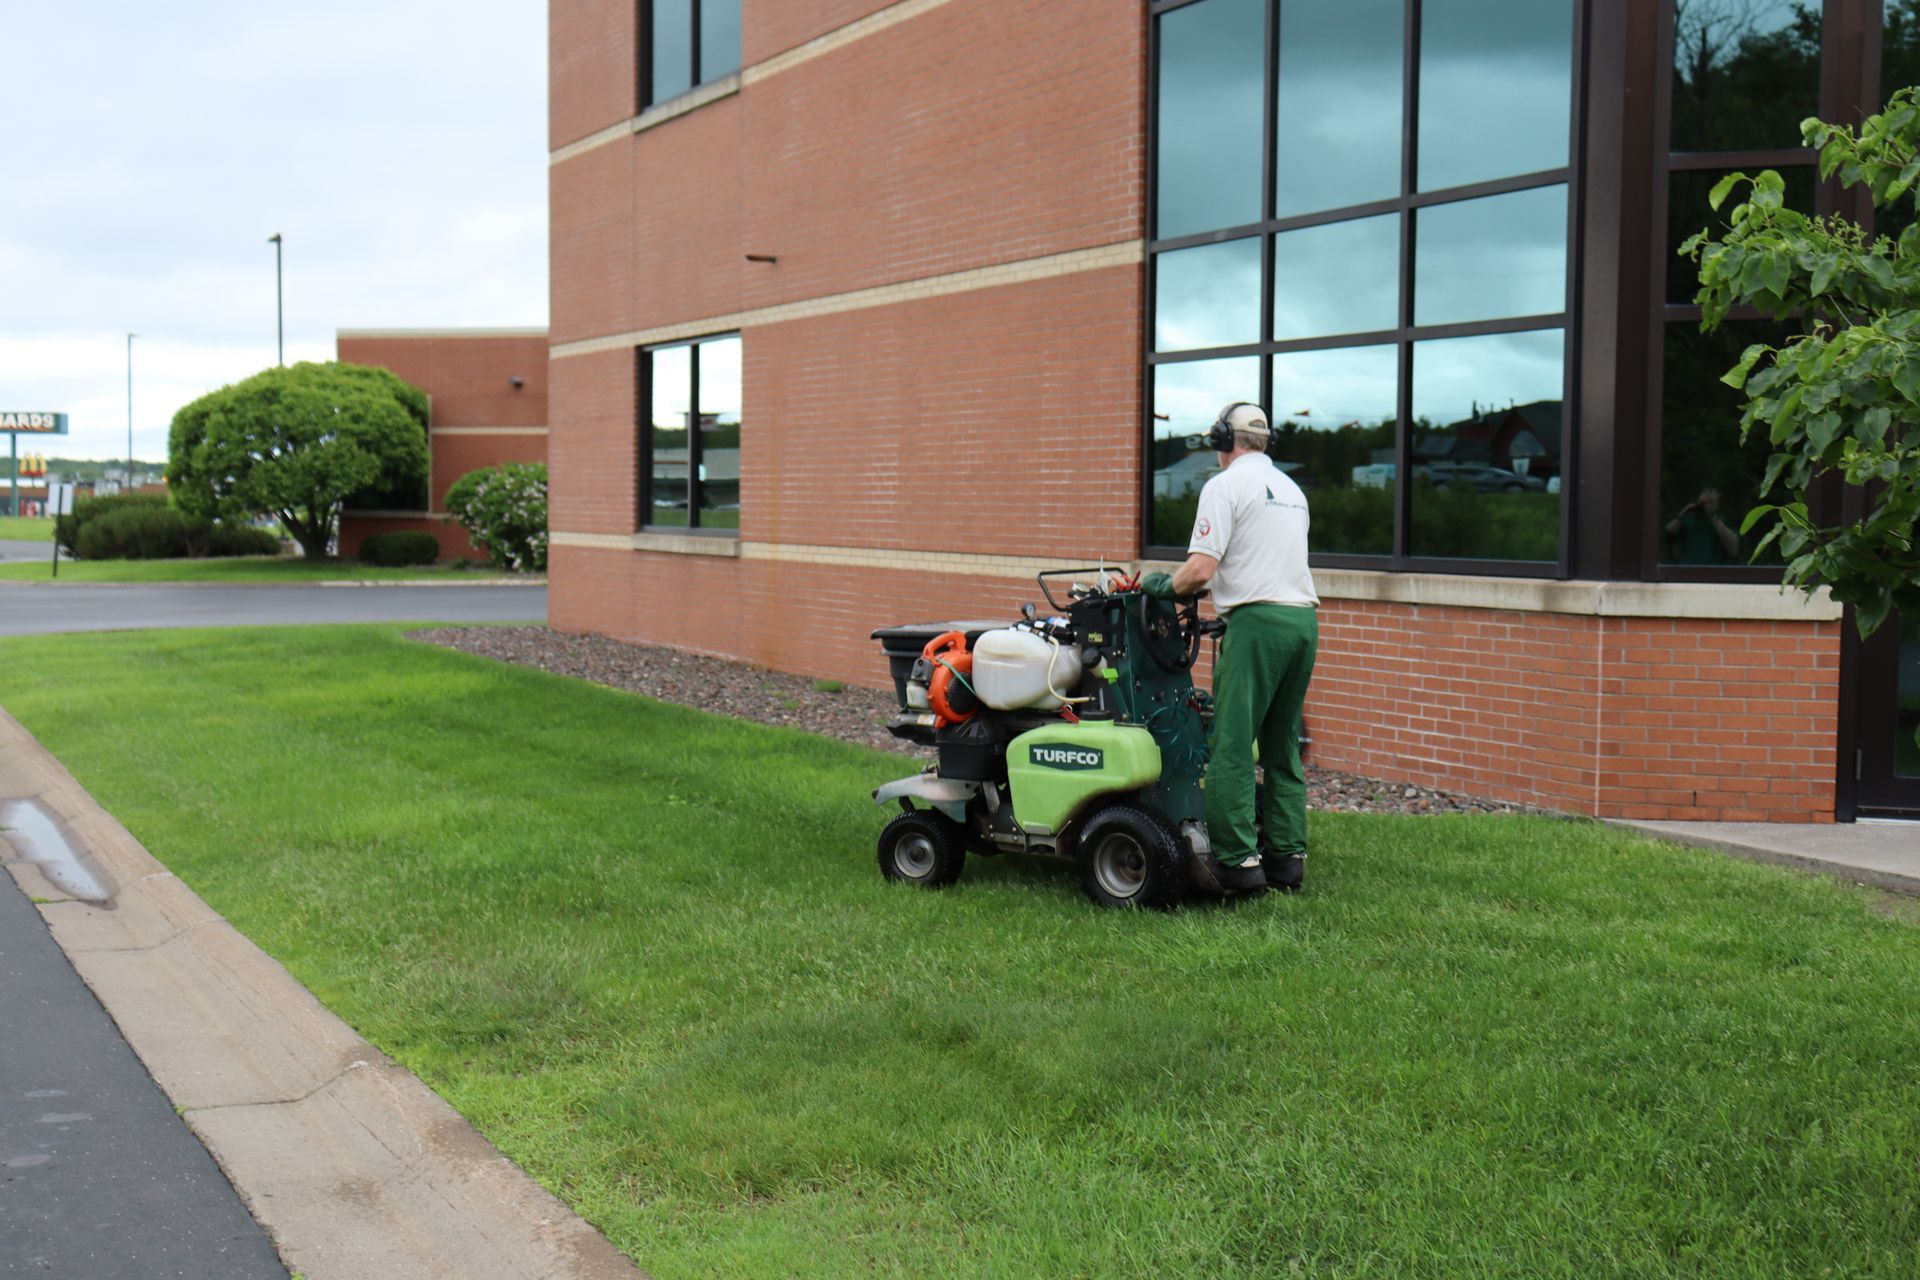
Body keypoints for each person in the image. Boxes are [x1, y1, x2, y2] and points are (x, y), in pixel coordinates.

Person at [1143, 402, 1318, 893]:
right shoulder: (1292, 490)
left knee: (1233, 746)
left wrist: (1160, 588)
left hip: (1257, 625)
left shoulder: (1224, 487)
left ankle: (1239, 863)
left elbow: (1200, 571)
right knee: (1283, 745)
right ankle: (1287, 860)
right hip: (1303, 623)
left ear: (1224, 441)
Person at [1664, 487, 1741, 564]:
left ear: (1717, 504)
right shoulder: (1687, 519)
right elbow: (1668, 535)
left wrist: (1712, 517)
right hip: (1688, 572)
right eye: (1703, 503)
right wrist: (1683, 513)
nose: (1706, 506)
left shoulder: (1723, 520)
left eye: (1711, 502)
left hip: (1714, 573)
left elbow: (1733, 550)